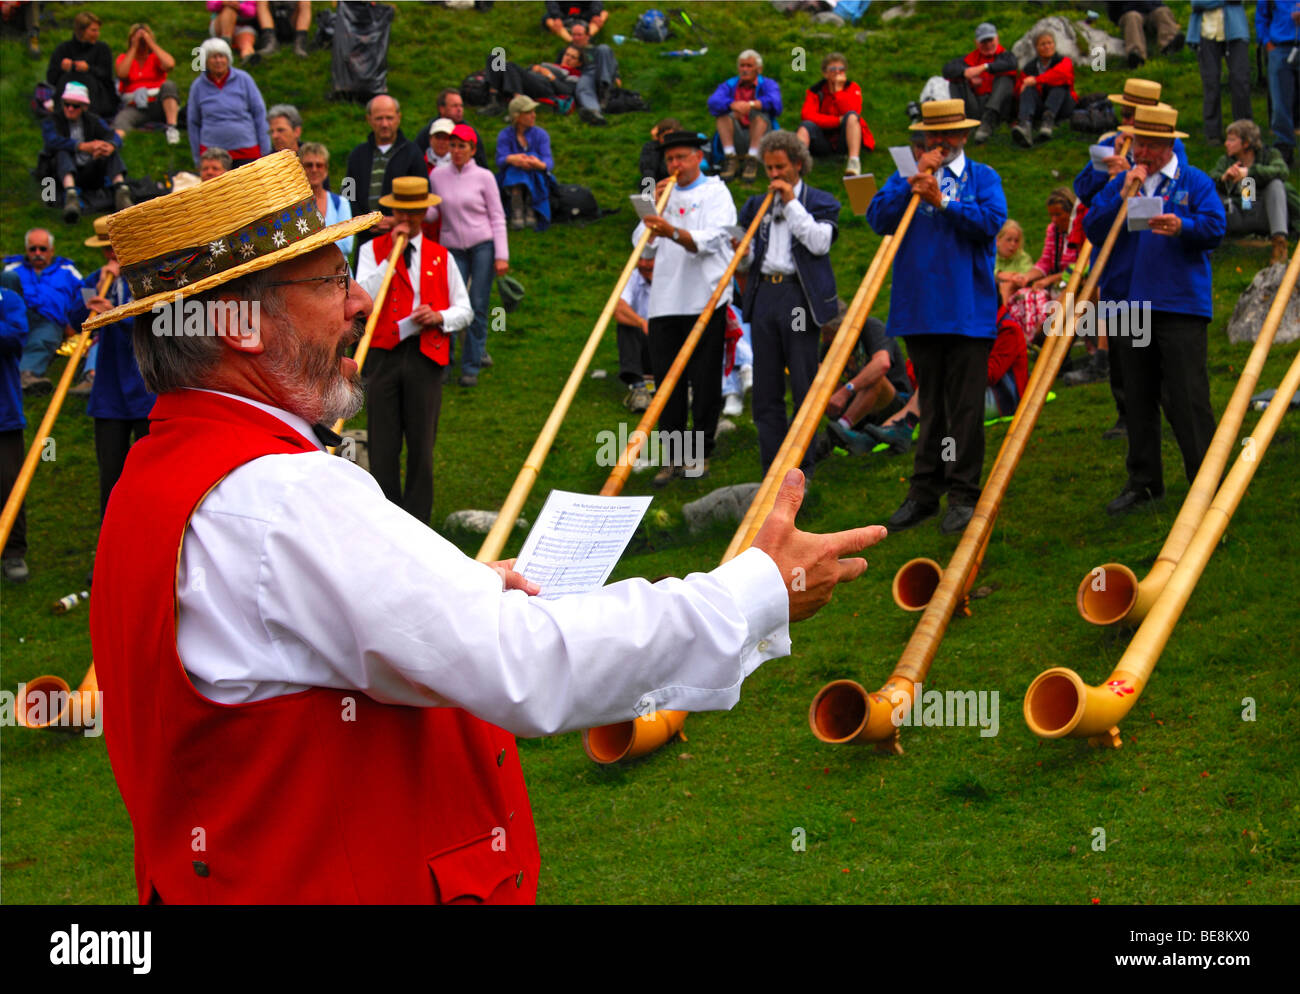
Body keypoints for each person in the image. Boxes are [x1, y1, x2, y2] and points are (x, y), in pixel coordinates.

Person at [80, 150, 884, 904]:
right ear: (239, 327)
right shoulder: (282, 495)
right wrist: (749, 590)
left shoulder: (152, 480)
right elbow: (527, 665)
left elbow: (277, 653)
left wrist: (454, 590)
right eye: (329, 281)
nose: (361, 299)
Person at [867, 100, 1007, 535]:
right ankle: (925, 492)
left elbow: (990, 223)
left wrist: (943, 201)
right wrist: (909, 183)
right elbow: (877, 217)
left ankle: (964, 495)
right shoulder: (908, 172)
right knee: (931, 405)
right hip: (921, 309)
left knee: (965, 408)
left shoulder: (982, 177)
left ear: (963, 136)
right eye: (932, 135)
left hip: (968, 312)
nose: (939, 142)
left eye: (947, 135)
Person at [1083, 104, 1225, 515]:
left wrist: (1183, 227)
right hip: (1129, 300)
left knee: (1186, 394)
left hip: (1179, 301)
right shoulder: (1124, 182)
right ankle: (1144, 481)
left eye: (1149, 145)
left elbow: (1215, 227)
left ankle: (1206, 481)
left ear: (1168, 146)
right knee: (1138, 393)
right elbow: (1093, 228)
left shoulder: (1192, 181)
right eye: (1137, 142)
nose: (1140, 151)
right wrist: (1121, 194)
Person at [1073, 77, 1186, 441]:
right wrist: (1106, 174)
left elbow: (1172, 189)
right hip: (1114, 250)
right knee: (1120, 334)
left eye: (1131, 112)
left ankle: (1165, 411)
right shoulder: (1108, 142)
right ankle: (1126, 412)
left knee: (1151, 341)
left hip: (1148, 250)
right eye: (1124, 110)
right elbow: (1082, 190)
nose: (1124, 117)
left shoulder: (1173, 149)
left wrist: (1132, 175)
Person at [355, 176, 470, 526]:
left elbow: (465, 310)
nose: (409, 218)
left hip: (426, 355)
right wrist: (389, 254)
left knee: (422, 446)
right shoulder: (369, 251)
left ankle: (419, 524)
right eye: (402, 212)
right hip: (382, 355)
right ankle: (387, 522)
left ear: (424, 212)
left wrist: (438, 316)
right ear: (392, 210)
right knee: (382, 444)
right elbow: (362, 299)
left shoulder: (441, 256)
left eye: (415, 212)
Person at [633, 131, 737, 484]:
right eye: (670, 159)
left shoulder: (715, 191)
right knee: (667, 382)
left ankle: (702, 453)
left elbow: (713, 239)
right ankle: (673, 457)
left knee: (705, 380)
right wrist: (656, 209)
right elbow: (642, 250)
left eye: (681, 157)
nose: (675, 165)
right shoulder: (660, 195)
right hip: (664, 300)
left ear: (698, 157)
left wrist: (672, 230)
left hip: (705, 298)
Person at [737, 131, 839, 479]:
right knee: (766, 388)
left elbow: (820, 243)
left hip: (798, 297)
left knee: (802, 383)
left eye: (780, 167)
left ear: (798, 164)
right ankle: (772, 467)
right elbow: (745, 257)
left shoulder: (821, 201)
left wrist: (791, 202)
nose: (773, 175)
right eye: (768, 168)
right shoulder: (755, 206)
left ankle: (802, 468)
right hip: (764, 294)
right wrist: (739, 249)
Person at [68, 216, 155, 521]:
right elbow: (75, 316)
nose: (110, 256)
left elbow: (160, 324)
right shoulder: (96, 280)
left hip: (147, 391)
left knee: (151, 479)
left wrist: (116, 314)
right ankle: (109, 552)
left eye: (114, 249)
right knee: (111, 479)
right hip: (108, 394)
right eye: (105, 251)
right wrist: (91, 305)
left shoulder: (149, 279)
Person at [428, 125, 509, 387]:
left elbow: (497, 216)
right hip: (451, 247)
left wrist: (502, 255)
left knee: (477, 304)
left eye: (462, 146)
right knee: (450, 305)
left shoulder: (484, 177)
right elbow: (432, 213)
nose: (456, 151)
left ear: (473, 149)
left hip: (482, 245)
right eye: (453, 145)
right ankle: (444, 363)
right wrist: (409, 213)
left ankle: (471, 366)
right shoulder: (438, 176)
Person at [1005, 188, 1086, 354]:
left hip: (1075, 281)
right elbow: (1045, 262)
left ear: (1070, 212)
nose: (1054, 220)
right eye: (1051, 215)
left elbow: (1082, 265)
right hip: (1056, 283)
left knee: (1061, 300)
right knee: (1023, 293)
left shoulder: (1081, 228)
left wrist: (1049, 280)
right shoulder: (1053, 230)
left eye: (1058, 215)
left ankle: (1044, 338)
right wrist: (1026, 277)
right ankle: (1022, 337)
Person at [3, 229, 82, 395]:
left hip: (50, 321)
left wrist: (76, 322)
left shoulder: (68, 270)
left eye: (43, 249)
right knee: (8, 280)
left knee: (42, 340)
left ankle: (24, 375)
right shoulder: (12, 268)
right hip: (17, 316)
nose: (38, 253)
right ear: (26, 250)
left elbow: (87, 294)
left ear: (51, 250)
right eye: (33, 249)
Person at [40, 81, 131, 223]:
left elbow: (112, 135)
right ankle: (71, 196)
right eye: (66, 104)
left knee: (109, 151)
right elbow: (52, 141)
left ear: (84, 107)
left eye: (75, 106)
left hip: (89, 170)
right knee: (62, 152)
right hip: (60, 172)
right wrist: (81, 146)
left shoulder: (93, 120)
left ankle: (121, 193)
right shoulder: (52, 121)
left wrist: (110, 146)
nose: (70, 109)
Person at [822, 314, 913, 456]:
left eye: (827, 333)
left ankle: (841, 428)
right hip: (861, 406)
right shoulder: (829, 346)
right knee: (820, 372)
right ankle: (833, 433)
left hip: (893, 403)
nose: (824, 339)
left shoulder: (870, 327)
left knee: (874, 375)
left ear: (841, 327)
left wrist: (845, 392)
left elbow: (882, 364)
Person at [344, 95, 428, 247]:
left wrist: (396, 220)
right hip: (365, 239)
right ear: (369, 119)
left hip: (401, 238)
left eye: (389, 118)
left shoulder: (413, 153)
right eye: (378, 118)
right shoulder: (356, 155)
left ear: (398, 118)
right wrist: (363, 221)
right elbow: (348, 194)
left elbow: (423, 196)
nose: (384, 124)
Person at [1210, 119, 1297, 265]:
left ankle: (1279, 244)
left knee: (1274, 184)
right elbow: (1210, 179)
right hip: (1236, 214)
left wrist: (1250, 173)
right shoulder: (1225, 161)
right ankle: (1208, 242)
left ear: (1246, 143)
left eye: (1232, 140)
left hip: (1263, 214)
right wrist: (1223, 178)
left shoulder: (1270, 155)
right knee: (1211, 191)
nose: (1226, 143)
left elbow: (1282, 171)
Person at [187, 37, 270, 170]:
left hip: (247, 151)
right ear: (206, 61)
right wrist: (197, 157)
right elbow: (193, 122)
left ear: (228, 59)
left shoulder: (244, 79)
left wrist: (265, 149)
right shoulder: (198, 86)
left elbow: (259, 113)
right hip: (212, 156)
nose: (218, 60)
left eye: (222, 56)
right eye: (213, 57)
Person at [709, 50, 782, 183]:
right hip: (734, 135)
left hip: (763, 137)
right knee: (723, 115)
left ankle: (752, 159)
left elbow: (776, 103)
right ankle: (730, 157)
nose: (745, 69)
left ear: (759, 69)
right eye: (742, 66)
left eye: (749, 66)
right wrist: (732, 105)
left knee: (758, 115)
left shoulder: (768, 84)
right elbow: (713, 102)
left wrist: (752, 104)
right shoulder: (730, 84)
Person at [797, 52, 873, 176]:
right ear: (825, 73)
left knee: (852, 117)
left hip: (845, 139)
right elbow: (807, 115)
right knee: (805, 126)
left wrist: (838, 91)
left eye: (841, 69)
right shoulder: (815, 91)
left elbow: (853, 110)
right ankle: (797, 164)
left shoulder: (852, 88)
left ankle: (854, 162)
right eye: (832, 69)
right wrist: (837, 121)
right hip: (823, 139)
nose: (837, 72)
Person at [1188, 1, 1253, 144]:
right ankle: (1213, 133)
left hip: (1236, 31)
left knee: (1240, 80)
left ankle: (1244, 131)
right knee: (1211, 82)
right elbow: (1196, 2)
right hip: (1206, 33)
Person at [943, 22, 1018, 145]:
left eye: (990, 40)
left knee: (1006, 78)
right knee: (956, 81)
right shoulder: (969, 59)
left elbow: (1011, 64)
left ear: (997, 38)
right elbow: (947, 70)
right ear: (977, 43)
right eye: (984, 42)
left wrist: (984, 67)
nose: (988, 45)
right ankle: (961, 123)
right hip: (976, 105)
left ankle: (988, 121)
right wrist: (965, 74)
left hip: (1000, 108)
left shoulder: (1007, 56)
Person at [1, 284, 30, 583]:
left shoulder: (7, 299)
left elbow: (14, 336)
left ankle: (13, 552)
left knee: (9, 485)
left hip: (3, 414)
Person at [112, 22, 180, 145]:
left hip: (158, 103)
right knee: (121, 120)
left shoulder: (154, 58)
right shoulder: (124, 58)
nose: (142, 42)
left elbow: (170, 64)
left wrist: (151, 43)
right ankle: (115, 144)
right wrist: (134, 47)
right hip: (135, 105)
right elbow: (122, 73)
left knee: (169, 85)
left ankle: (171, 128)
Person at [497, 95, 554, 232]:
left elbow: (548, 161)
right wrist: (512, 159)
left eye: (533, 112)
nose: (533, 115)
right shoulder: (505, 135)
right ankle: (518, 205)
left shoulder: (541, 134)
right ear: (517, 116)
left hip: (536, 175)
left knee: (531, 159)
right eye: (528, 112)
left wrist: (536, 163)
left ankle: (529, 205)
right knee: (515, 168)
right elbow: (500, 160)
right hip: (511, 177)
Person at [46, 10, 116, 120]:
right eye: (93, 30)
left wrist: (89, 69)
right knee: (67, 78)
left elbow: (107, 76)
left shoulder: (102, 49)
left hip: (97, 96)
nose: (97, 34)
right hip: (68, 91)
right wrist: (62, 69)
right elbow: (51, 78)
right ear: (81, 31)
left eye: (98, 30)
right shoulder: (63, 49)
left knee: (87, 79)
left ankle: (90, 118)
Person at [1011, 30, 1076, 148]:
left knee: (1059, 84)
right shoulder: (1029, 68)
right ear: (1036, 48)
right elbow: (1019, 89)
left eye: (1050, 43)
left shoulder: (1064, 61)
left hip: (1064, 105)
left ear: (1054, 45)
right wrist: (1022, 89)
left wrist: (1037, 80)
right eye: (1043, 44)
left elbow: (1062, 75)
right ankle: (1025, 125)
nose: (1047, 47)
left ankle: (1048, 121)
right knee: (1028, 88)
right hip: (1040, 106)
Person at [1257, 0, 1299, 167]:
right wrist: (1267, 42)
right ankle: (1284, 147)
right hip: (1279, 48)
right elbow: (1261, 17)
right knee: (1280, 102)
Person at [613, 250, 656, 412]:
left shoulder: (675, 277)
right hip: (644, 344)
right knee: (626, 325)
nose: (644, 264)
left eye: (650, 259)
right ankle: (639, 389)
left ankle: (686, 384)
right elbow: (618, 308)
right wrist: (641, 322)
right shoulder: (632, 276)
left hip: (669, 342)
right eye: (641, 259)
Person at [300, 142, 353, 258]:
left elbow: (347, 244)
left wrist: (311, 245)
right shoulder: (294, 207)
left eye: (319, 165)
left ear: (326, 169)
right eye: (309, 165)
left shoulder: (340, 203)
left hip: (339, 274)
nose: (314, 170)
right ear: (301, 168)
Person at [565, 19, 620, 127]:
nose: (576, 38)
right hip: (585, 75)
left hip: (602, 72)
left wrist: (617, 76)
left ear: (588, 36)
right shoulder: (567, 50)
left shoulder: (596, 49)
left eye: (579, 35)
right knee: (583, 87)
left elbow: (612, 62)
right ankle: (594, 113)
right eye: (573, 35)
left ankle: (604, 88)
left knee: (604, 49)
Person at [414, 90, 488, 168]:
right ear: (441, 109)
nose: (459, 109)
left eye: (461, 106)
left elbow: (482, 164)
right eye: (455, 106)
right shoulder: (427, 132)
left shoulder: (470, 133)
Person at [1108, 1, 1185, 67]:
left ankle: (1169, 44)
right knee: (1133, 18)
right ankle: (1136, 55)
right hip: (1129, 12)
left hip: (1151, 10)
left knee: (1162, 11)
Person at [994, 219, 1033, 305]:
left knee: (1007, 286)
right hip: (992, 296)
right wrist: (999, 274)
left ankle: (1002, 316)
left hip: (1017, 298)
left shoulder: (1023, 258)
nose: (1013, 244)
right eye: (1009, 240)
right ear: (997, 241)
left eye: (1016, 241)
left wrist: (1014, 279)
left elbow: (1026, 276)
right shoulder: (992, 256)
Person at [542, 1, 607, 42]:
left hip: (584, 13)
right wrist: (556, 17)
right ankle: (570, 40)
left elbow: (596, 2)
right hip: (563, 14)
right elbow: (551, 2)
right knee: (549, 19)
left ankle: (587, 37)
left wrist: (595, 14)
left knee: (603, 14)